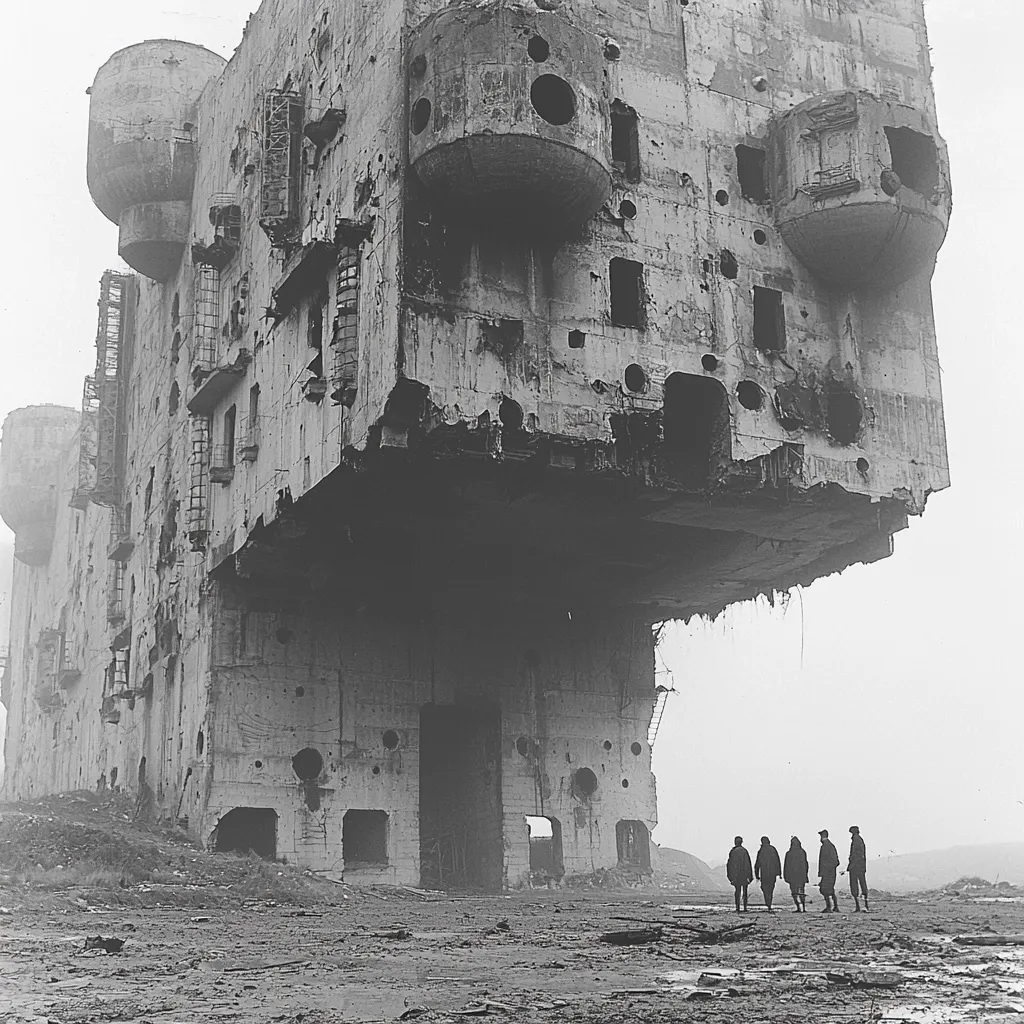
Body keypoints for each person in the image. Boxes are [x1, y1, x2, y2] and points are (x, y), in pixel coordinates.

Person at [754, 836, 782, 911]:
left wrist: (756, 874)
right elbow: (777, 861)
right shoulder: (773, 849)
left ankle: (768, 901)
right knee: (771, 888)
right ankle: (769, 901)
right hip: (772, 874)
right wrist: (779, 873)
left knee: (764, 887)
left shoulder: (761, 850)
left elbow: (757, 863)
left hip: (764, 874)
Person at [726, 836, 753, 913]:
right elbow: (748, 864)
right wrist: (750, 876)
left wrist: (730, 876)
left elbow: (730, 865)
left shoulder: (733, 851)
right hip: (744, 874)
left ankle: (737, 907)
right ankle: (745, 907)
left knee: (737, 891)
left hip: (736, 875)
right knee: (745, 891)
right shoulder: (744, 851)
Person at [783, 836, 809, 912]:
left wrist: (786, 876)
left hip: (792, 877)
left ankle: (798, 907)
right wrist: (805, 874)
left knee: (794, 893)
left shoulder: (789, 853)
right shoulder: (802, 852)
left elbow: (786, 866)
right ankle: (803, 908)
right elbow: (806, 865)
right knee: (801, 892)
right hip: (801, 876)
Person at [818, 829, 840, 912]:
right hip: (830, 872)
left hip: (828, 873)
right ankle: (835, 907)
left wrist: (826, 870)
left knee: (825, 889)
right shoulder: (829, 846)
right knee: (830, 889)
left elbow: (835, 861)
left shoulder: (826, 846)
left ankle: (829, 907)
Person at [848, 826, 869, 912]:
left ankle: (858, 906)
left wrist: (851, 865)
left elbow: (856, 855)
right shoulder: (859, 840)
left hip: (856, 867)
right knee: (863, 884)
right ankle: (865, 905)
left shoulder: (856, 840)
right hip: (860, 867)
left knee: (855, 886)